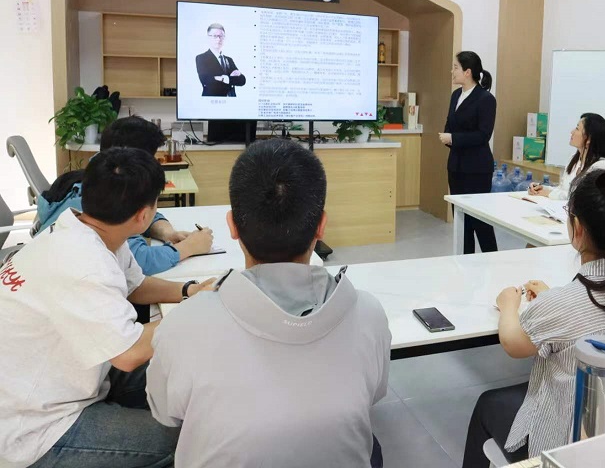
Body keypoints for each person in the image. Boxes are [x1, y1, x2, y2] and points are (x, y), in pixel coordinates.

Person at [147, 139, 391, 467]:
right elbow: (375, 394)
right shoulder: (369, 314)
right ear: (321, 226)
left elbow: (165, 412)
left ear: (232, 226)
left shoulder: (183, 325)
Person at [0, 148, 217, 468]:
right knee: (187, 439)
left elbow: (135, 285)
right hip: (34, 426)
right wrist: (198, 308)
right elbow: (128, 354)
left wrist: (189, 291)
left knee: (184, 374)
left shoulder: (85, 228)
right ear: (144, 215)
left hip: (72, 374)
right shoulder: (84, 264)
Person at [461, 167, 605, 466]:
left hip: (569, 447)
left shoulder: (562, 303)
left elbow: (514, 344)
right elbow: (592, 315)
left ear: (577, 229)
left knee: (487, 404)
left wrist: (508, 305)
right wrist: (552, 299)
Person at [35, 116, 213, 274]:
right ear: (131, 160)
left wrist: (168, 233)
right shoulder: (110, 195)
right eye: (151, 158)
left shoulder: (93, 177)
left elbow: (143, 213)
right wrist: (189, 247)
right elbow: (140, 261)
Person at [441, 51, 498, 253]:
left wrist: (454, 138)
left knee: (480, 221)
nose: (452, 71)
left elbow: (483, 135)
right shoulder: (455, 95)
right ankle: (465, 264)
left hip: (477, 169)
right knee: (461, 221)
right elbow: (449, 125)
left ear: (467, 72)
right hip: (456, 166)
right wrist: (450, 137)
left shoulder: (486, 99)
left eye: (455, 67)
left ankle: (492, 259)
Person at [527, 113, 605, 200]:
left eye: (577, 129)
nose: (572, 132)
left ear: (589, 138)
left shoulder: (603, 166)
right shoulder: (574, 160)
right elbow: (563, 190)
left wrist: (549, 193)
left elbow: (583, 198)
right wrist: (543, 189)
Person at [196, 23, 246, 97]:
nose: (218, 39)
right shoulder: (201, 58)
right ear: (208, 37)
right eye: (215, 36)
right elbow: (208, 82)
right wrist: (231, 79)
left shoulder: (229, 60)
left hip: (232, 101)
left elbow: (242, 80)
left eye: (221, 36)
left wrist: (224, 79)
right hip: (212, 100)